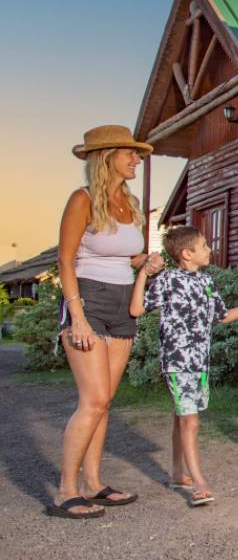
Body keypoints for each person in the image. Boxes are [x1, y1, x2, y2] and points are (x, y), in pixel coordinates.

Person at [48, 125, 163, 519]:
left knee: (105, 402)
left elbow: (126, 256)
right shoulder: (81, 200)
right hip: (89, 301)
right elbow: (65, 260)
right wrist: (77, 316)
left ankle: (94, 484)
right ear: (106, 157)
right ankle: (66, 490)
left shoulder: (130, 202)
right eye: (129, 153)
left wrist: (146, 262)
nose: (137, 159)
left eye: (137, 154)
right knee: (93, 399)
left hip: (122, 303)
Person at [130, 226, 238, 507]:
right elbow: (136, 310)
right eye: (204, 245)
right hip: (178, 361)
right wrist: (143, 275)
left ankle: (177, 473)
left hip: (200, 362)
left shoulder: (206, 281)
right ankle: (199, 483)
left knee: (182, 416)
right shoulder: (167, 280)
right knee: (190, 420)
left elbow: (221, 316)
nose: (210, 249)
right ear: (187, 253)